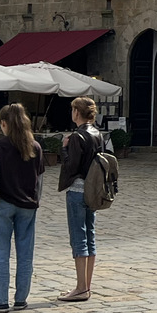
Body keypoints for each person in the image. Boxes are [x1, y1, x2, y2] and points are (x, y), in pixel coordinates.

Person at [0, 102, 43, 313]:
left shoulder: (0, 145)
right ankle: (20, 299)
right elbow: (40, 178)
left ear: (5, 124)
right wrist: (36, 200)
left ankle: (0, 301)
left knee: (0, 252)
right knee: (25, 254)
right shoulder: (35, 146)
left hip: (4, 203)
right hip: (28, 206)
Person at [57, 96, 103, 302]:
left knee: (78, 238)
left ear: (77, 112)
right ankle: (86, 285)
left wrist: (64, 148)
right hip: (93, 190)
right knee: (89, 236)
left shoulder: (78, 136)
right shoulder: (97, 134)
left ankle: (81, 287)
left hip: (77, 189)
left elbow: (71, 166)